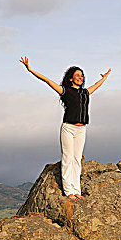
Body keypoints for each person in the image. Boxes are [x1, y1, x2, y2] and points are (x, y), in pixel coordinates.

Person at [20, 56, 111, 200]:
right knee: (68, 158)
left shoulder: (85, 93)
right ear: (71, 79)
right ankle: (69, 191)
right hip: (68, 128)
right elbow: (48, 81)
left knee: (76, 159)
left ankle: (77, 191)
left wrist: (104, 78)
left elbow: (97, 85)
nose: (80, 78)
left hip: (81, 129)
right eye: (77, 76)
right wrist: (30, 70)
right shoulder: (65, 91)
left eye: (81, 76)